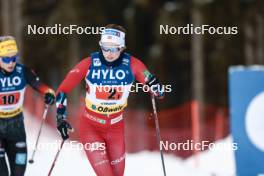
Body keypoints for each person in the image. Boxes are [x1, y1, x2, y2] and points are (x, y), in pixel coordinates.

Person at [55, 24, 164, 176]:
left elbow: (160, 93)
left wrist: (155, 85)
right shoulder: (89, 63)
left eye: (114, 49)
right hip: (91, 126)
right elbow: (62, 90)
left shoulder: (133, 65)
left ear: (122, 48)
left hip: (115, 128)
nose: (109, 53)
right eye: (105, 47)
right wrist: (60, 117)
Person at [0, 36, 56, 176]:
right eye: (6, 59)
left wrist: (48, 92)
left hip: (16, 125)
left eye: (14, 58)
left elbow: (38, 85)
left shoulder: (22, 71)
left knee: (19, 169)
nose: (11, 62)